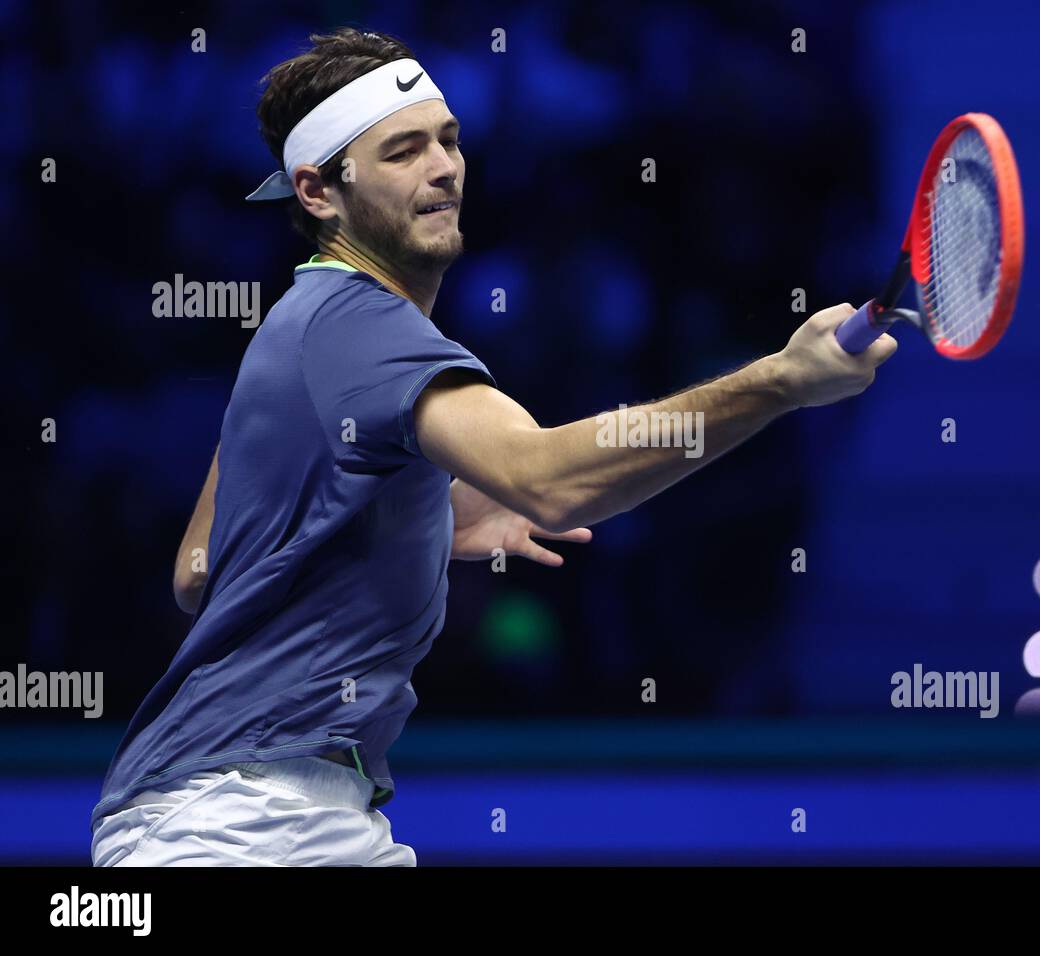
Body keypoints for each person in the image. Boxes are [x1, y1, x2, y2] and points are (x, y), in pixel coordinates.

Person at [90, 27, 896, 866]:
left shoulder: (295, 328)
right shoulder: (365, 326)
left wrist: (416, 512)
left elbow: (197, 570)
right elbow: (548, 481)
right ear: (319, 192)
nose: (443, 168)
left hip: (242, 811)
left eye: (449, 140)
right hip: (242, 826)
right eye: (404, 150)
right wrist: (780, 381)